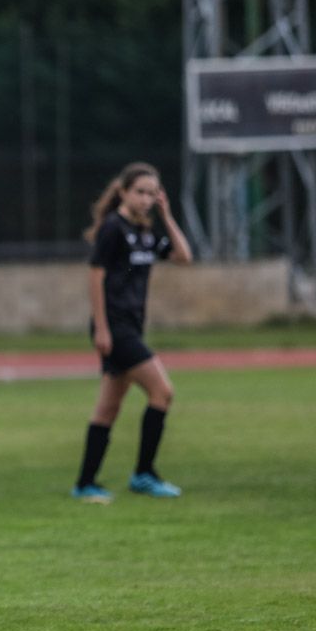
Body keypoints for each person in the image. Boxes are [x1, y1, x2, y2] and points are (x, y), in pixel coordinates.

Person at [72, 162, 193, 503]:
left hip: (132, 327)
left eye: (152, 194)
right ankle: (143, 473)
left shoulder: (146, 233)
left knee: (108, 408)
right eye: (140, 192)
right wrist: (102, 328)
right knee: (163, 392)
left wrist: (167, 216)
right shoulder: (114, 228)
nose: (145, 199)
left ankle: (85, 483)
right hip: (117, 328)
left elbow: (184, 256)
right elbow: (95, 276)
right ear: (123, 191)